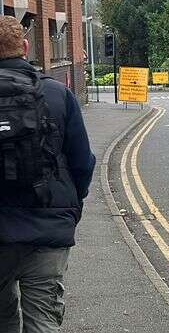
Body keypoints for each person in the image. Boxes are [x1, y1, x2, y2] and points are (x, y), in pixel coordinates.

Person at [0, 16, 96, 332]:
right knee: (42, 322)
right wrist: (71, 210)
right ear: (25, 47)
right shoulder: (57, 95)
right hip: (47, 227)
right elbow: (82, 162)